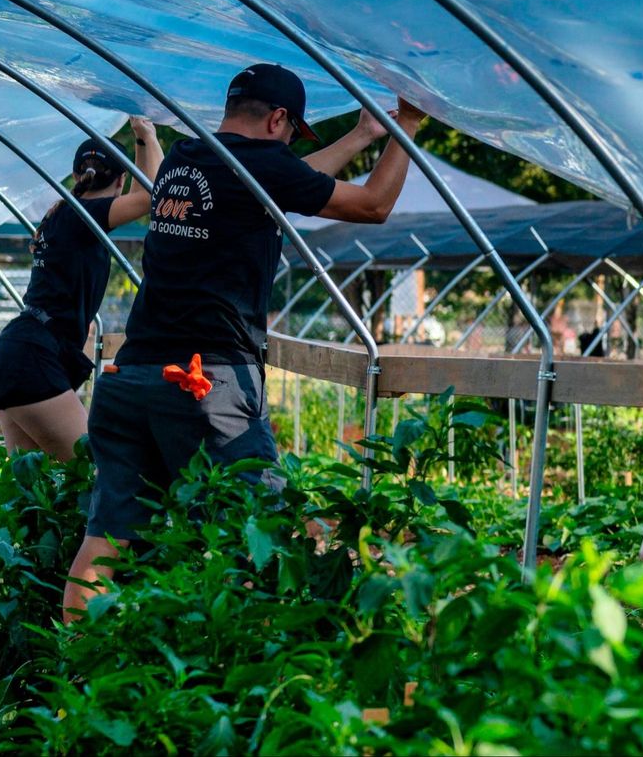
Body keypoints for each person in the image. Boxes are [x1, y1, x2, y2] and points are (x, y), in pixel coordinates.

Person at [65, 63, 419, 620]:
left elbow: (287, 182)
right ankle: (249, 673)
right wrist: (409, 128)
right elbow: (372, 205)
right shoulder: (258, 167)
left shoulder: (186, 157)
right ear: (279, 118)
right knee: (259, 532)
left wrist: (360, 136)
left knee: (109, 536)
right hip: (206, 384)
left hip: (130, 377)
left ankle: (75, 674)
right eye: (289, 129)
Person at [0, 117, 162, 461]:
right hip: (30, 359)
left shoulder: (65, 214)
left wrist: (140, 144)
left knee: (37, 490)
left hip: (14, 353)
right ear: (121, 181)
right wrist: (146, 136)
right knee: (94, 475)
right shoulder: (81, 216)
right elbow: (152, 199)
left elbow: (141, 196)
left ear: (78, 176)